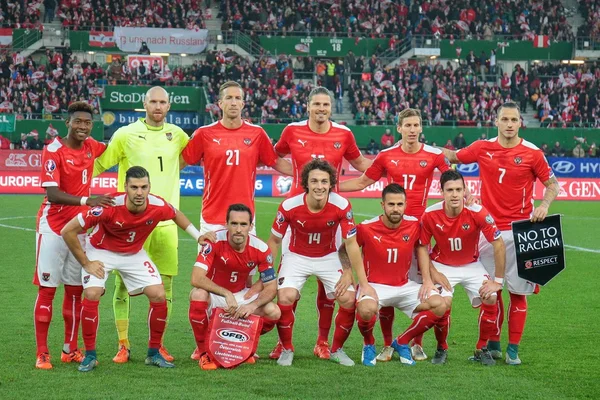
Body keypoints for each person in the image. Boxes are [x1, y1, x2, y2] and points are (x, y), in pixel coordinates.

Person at [441, 101, 559, 364]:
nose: (508, 124)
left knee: (518, 292)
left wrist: (544, 205)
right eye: (504, 119)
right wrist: (419, 148)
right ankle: (492, 345)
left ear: (520, 123)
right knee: (490, 292)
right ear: (496, 121)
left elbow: (552, 184)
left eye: (513, 120)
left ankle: (512, 351)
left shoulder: (533, 153)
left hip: (520, 232)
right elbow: (452, 157)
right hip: (487, 231)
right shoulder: (483, 147)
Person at [60, 166, 205, 372]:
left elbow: (176, 214)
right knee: (92, 293)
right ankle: (90, 355)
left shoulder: (157, 204)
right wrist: (86, 263)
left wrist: (198, 236)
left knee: (158, 294)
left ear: (149, 187)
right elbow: (68, 231)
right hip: (101, 251)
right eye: (134, 187)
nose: (139, 192)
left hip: (133, 253)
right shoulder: (109, 206)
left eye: (144, 187)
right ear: (125, 187)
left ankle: (153, 353)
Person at [340, 108, 451, 362]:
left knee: (424, 287)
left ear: (421, 128)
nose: (412, 130)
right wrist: (331, 186)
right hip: (391, 227)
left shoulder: (433, 155)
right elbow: (361, 182)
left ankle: (415, 344)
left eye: (416, 125)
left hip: (418, 232)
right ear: (398, 128)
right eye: (407, 125)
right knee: (390, 285)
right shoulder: (386, 155)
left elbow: (451, 180)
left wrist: (468, 196)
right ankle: (388, 344)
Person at [270, 86, 372, 361]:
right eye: (316, 104)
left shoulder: (343, 133)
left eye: (325, 104)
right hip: (297, 217)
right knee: (288, 286)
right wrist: (294, 177)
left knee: (330, 290)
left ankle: (322, 342)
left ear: (331, 107)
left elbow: (362, 162)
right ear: (308, 106)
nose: (321, 109)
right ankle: (284, 343)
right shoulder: (292, 130)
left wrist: (387, 168)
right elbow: (274, 156)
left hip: (332, 218)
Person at [94, 86, 189, 364]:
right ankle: (123, 345)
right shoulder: (124, 134)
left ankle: (156, 346)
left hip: (164, 222)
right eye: (153, 102)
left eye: (163, 102)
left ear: (169, 106)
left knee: (166, 286)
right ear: (144, 104)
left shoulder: (178, 135)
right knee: (122, 286)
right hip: (128, 223)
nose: (158, 106)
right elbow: (99, 164)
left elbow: (186, 159)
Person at [33, 101, 114, 370]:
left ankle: (70, 348)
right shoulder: (53, 150)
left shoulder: (92, 146)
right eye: (78, 121)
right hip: (53, 227)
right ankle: (42, 352)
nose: (82, 127)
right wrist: (86, 201)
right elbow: (51, 194)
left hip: (79, 229)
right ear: (67, 123)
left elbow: (118, 147)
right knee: (47, 290)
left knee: (75, 291)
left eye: (87, 123)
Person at [267, 159, 363, 367]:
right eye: (314, 181)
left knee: (348, 298)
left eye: (324, 181)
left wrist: (349, 272)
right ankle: (286, 348)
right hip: (296, 256)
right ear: (306, 184)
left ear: (331, 184)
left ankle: (336, 349)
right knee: (285, 296)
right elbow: (274, 240)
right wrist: (267, 275)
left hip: (328, 256)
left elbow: (351, 243)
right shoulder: (290, 206)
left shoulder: (342, 205)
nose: (319, 186)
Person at [352, 183, 447, 367]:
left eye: (399, 204)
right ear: (382, 205)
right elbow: (346, 249)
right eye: (391, 204)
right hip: (375, 286)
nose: (396, 209)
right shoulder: (366, 227)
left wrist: (427, 280)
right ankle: (369, 343)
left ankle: (402, 341)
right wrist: (355, 279)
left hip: (404, 286)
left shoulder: (413, 224)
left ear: (405, 204)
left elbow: (421, 247)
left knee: (439, 305)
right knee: (365, 310)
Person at [182, 81, 291, 237]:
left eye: (237, 98)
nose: (233, 102)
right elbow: (182, 161)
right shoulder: (204, 134)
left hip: (245, 218)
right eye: (229, 98)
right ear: (220, 103)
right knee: (208, 262)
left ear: (243, 103)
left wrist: (306, 173)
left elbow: (276, 162)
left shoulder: (257, 134)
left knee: (246, 262)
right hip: (212, 218)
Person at [420, 170, 506, 365]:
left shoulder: (477, 212)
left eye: (459, 189)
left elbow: (499, 244)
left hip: (471, 264)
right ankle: (442, 348)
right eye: (449, 190)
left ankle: (481, 347)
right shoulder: (430, 214)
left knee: (491, 296)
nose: (455, 194)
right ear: (441, 191)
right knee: (442, 305)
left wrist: (497, 282)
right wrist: (432, 274)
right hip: (442, 266)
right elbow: (422, 247)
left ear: (465, 190)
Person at [188, 204, 281, 370]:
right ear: (226, 224)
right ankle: (203, 352)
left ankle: (241, 345)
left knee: (274, 312)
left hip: (240, 295)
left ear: (250, 226)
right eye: (234, 224)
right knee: (198, 294)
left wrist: (252, 305)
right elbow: (196, 278)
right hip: (215, 295)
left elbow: (271, 287)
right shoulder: (213, 241)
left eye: (243, 224)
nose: (238, 229)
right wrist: (226, 293)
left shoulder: (261, 249)